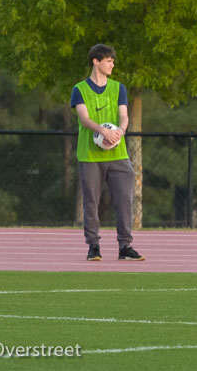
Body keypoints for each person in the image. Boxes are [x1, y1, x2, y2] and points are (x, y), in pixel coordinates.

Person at [70, 43, 144, 262]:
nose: (112, 64)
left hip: (117, 154)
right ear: (96, 61)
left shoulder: (118, 88)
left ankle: (125, 246)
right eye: (109, 60)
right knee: (91, 201)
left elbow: (124, 115)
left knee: (124, 198)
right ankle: (93, 246)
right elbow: (84, 118)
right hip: (90, 155)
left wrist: (120, 131)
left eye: (113, 60)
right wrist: (102, 131)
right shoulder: (79, 89)